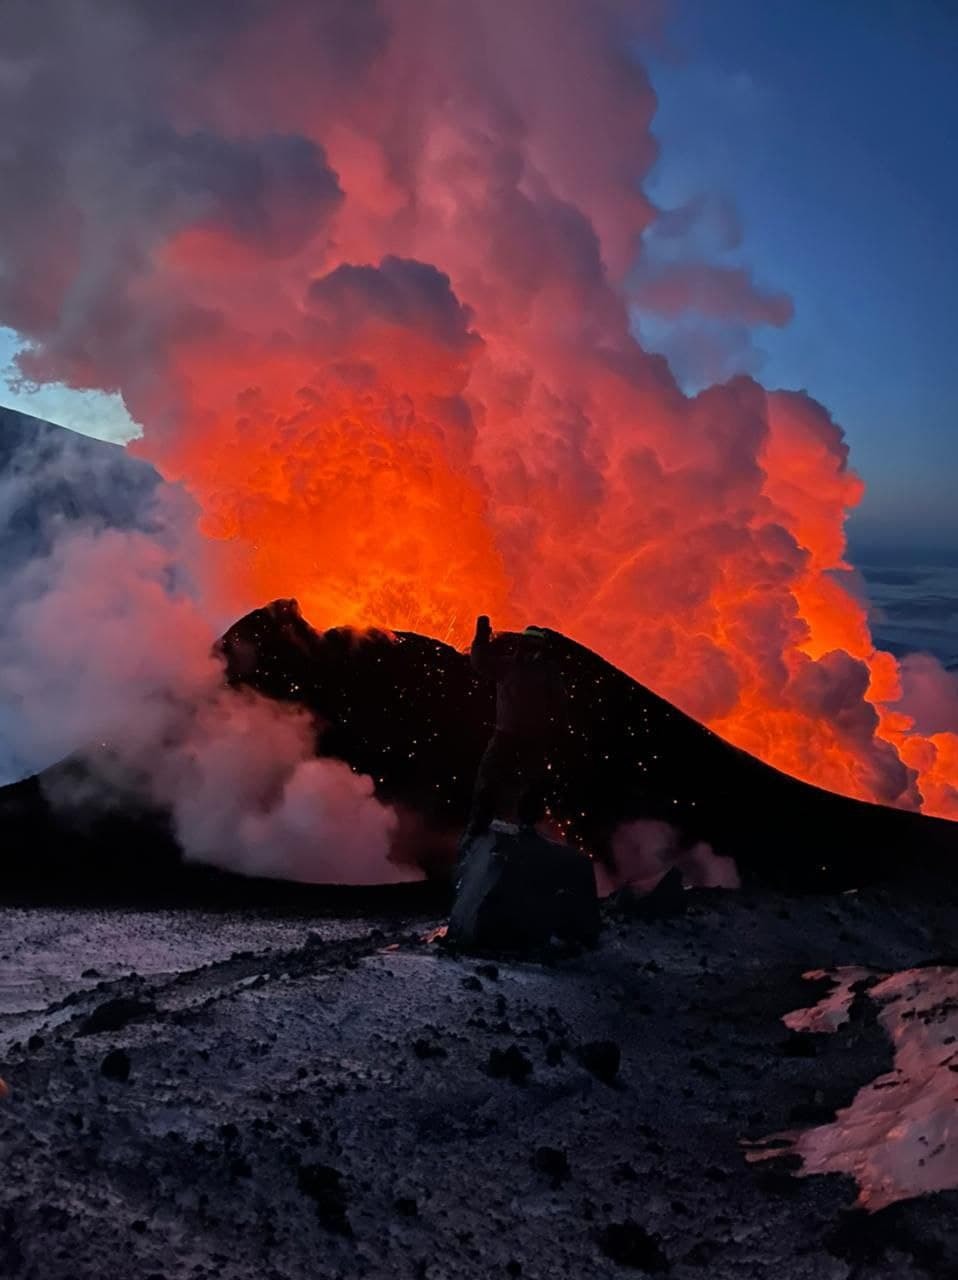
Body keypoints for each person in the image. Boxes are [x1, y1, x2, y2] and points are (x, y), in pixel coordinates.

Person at [463, 614, 566, 843]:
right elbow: (480, 661)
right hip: (511, 735)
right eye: (529, 644)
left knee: (529, 781)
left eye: (535, 645)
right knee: (493, 777)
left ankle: (523, 825)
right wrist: (481, 636)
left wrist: (481, 636)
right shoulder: (514, 666)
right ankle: (484, 823)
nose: (532, 649)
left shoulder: (534, 669)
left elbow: (559, 701)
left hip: (525, 737)